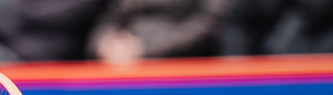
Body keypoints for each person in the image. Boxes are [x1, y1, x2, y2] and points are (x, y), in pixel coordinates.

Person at [87, 0, 234, 63]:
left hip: (183, 67)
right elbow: (108, 18)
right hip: (123, 63)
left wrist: (146, 49)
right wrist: (105, 44)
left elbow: (210, 21)